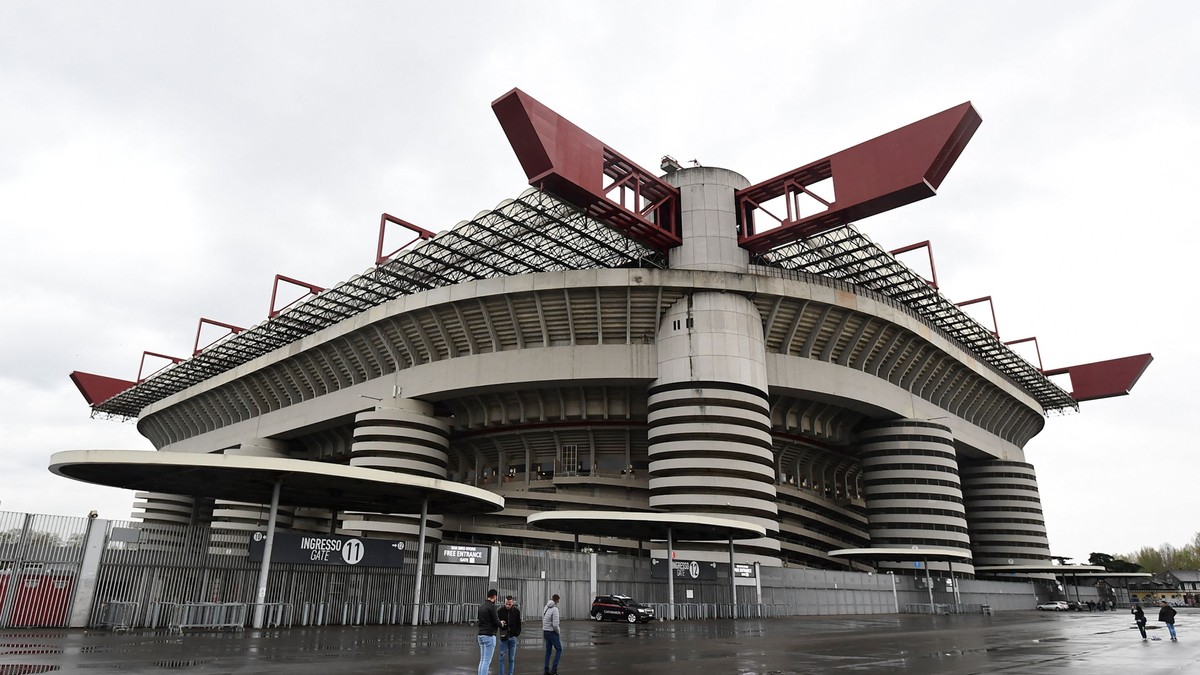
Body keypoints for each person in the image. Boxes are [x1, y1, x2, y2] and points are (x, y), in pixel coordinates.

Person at [477, 589, 502, 675]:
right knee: (486, 661)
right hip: (489, 635)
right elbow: (496, 621)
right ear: (494, 597)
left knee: (482, 660)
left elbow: (479, 621)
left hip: (480, 635)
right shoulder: (492, 607)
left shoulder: (481, 606)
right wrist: (501, 624)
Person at [497, 595, 522, 675]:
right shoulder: (500, 611)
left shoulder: (516, 611)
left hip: (513, 637)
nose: (507, 606)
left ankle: (510, 674)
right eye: (506, 604)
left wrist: (516, 634)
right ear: (504, 602)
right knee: (502, 658)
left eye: (509, 604)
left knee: (511, 659)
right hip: (503, 638)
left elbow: (519, 624)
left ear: (512, 603)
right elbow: (497, 623)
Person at [542, 593, 563, 675]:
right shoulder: (555, 609)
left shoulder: (546, 607)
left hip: (545, 631)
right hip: (552, 632)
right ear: (557, 600)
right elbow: (555, 624)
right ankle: (554, 669)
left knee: (548, 651)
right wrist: (558, 632)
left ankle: (546, 670)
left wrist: (545, 627)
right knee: (559, 649)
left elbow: (543, 618)